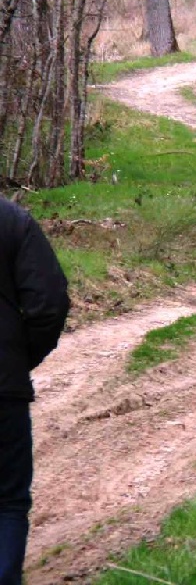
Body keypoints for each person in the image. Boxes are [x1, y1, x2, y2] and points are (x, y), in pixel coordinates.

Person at [0, 197, 70, 585]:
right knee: (7, 500)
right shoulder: (12, 220)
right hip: (3, 386)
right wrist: (19, 357)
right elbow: (49, 304)